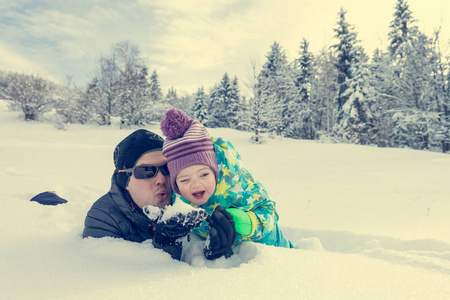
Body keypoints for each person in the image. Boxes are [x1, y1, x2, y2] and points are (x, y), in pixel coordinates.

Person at [160, 108, 293, 260]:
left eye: (204, 174)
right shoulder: (180, 202)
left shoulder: (239, 186)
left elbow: (270, 211)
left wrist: (250, 223)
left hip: (273, 250)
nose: (196, 184)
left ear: (215, 170)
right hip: (235, 262)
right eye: (185, 180)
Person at [82, 129, 204, 260]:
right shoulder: (103, 219)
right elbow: (116, 274)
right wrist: (165, 244)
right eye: (146, 171)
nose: (161, 180)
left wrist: (216, 249)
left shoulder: (189, 200)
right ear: (125, 181)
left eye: (167, 168)